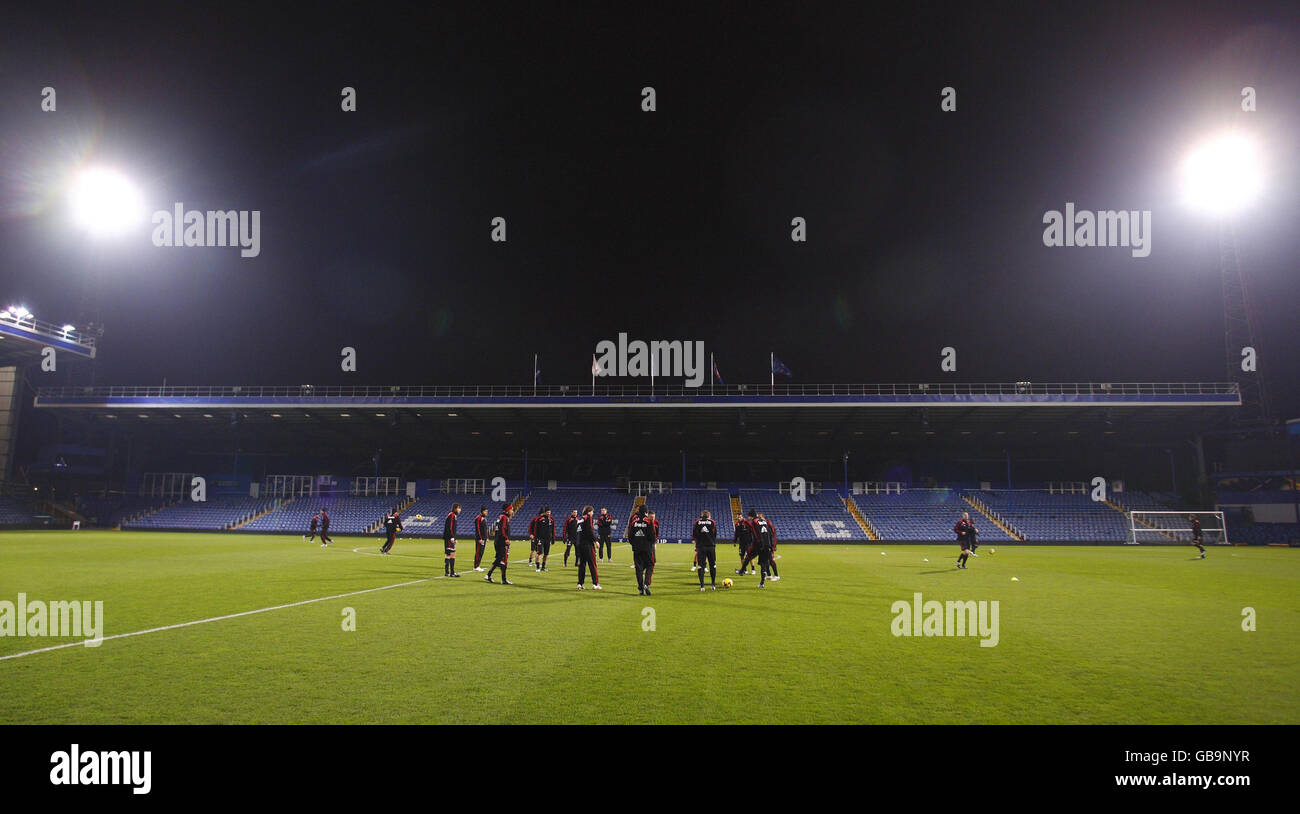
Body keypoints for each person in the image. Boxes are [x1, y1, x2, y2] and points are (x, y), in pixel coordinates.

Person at [627, 505, 656, 596]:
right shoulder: (648, 521)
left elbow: (630, 536)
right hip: (647, 548)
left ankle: (640, 588)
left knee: (638, 568)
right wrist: (650, 544)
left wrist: (634, 544)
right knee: (650, 565)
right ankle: (646, 584)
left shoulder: (634, 521)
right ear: (646, 512)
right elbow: (652, 536)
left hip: (637, 549)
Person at [485, 504, 514, 585]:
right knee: (503, 560)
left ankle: (491, 575)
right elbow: (502, 529)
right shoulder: (504, 517)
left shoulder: (502, 517)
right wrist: (506, 539)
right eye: (511, 510)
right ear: (507, 510)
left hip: (498, 541)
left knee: (500, 560)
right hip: (502, 541)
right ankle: (499, 578)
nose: (512, 511)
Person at [574, 505, 602, 590]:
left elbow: (578, 532)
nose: (593, 513)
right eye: (592, 512)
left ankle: (580, 584)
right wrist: (595, 540)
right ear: (589, 511)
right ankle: (595, 584)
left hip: (580, 544)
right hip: (587, 544)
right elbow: (590, 530)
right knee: (592, 564)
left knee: (582, 565)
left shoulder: (579, 519)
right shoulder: (588, 518)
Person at [694, 509, 718, 590]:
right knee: (712, 565)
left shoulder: (697, 522)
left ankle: (702, 586)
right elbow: (715, 534)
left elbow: (695, 534)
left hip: (701, 547)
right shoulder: (712, 522)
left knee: (701, 566)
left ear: (702, 515)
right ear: (709, 515)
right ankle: (713, 585)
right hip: (711, 546)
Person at [759, 512, 780, 581]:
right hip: (763, 546)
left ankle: (776, 575)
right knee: (765, 561)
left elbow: (774, 534)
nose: (758, 518)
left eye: (760, 517)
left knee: (771, 560)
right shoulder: (758, 524)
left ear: (763, 516)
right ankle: (769, 575)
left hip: (769, 545)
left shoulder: (768, 523)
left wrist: (774, 545)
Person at [533, 507, 556, 572]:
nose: (548, 513)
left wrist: (553, 538)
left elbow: (553, 529)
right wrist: (535, 538)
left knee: (546, 554)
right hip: (540, 538)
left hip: (548, 539)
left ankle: (543, 567)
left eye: (549, 512)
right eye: (547, 512)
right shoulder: (539, 519)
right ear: (545, 512)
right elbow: (535, 529)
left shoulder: (551, 519)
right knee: (539, 552)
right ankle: (537, 567)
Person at [443, 503, 461, 577]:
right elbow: (450, 527)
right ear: (455, 508)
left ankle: (447, 572)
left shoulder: (451, 515)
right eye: (459, 508)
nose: (460, 510)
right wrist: (452, 537)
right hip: (449, 538)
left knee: (448, 554)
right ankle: (452, 572)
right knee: (452, 554)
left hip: (448, 537)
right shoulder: (452, 515)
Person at [473, 507, 490, 571]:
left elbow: (485, 529)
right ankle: (476, 566)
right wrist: (480, 538)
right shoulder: (478, 518)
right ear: (482, 511)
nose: (486, 513)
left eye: (487, 511)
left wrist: (487, 537)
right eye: (485, 511)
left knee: (481, 552)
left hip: (484, 538)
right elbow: (478, 529)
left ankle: (478, 565)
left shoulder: (484, 519)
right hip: (480, 539)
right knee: (478, 552)